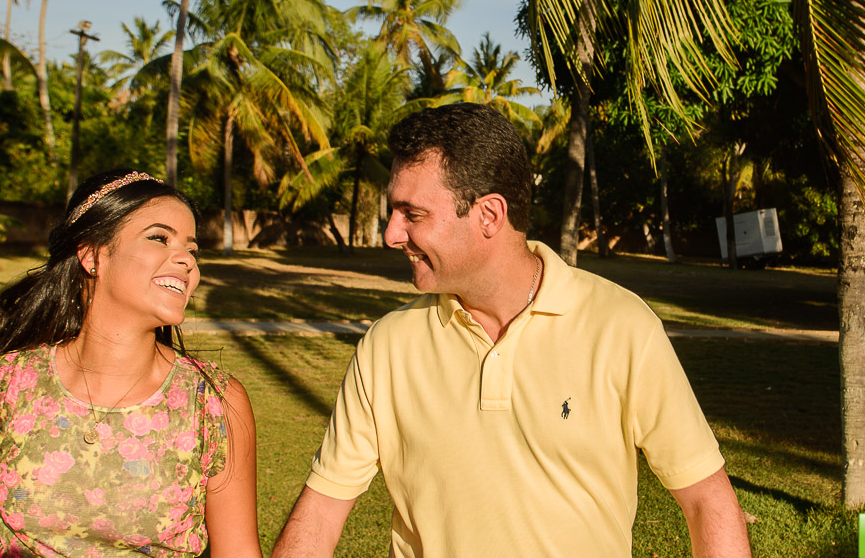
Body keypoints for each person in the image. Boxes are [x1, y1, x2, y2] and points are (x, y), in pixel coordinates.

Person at [272, 103, 751, 557]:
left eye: (412, 214)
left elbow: (707, 499)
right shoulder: (387, 346)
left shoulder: (622, 327)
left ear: (489, 215)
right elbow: (321, 512)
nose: (391, 234)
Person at [0, 169, 261, 558]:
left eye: (192, 248)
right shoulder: (1, 387)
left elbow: (237, 550)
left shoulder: (215, 403)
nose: (186, 260)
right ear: (92, 254)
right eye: (159, 238)